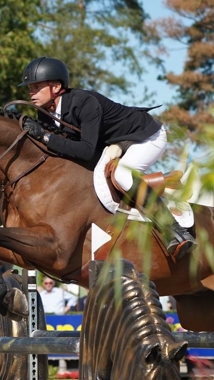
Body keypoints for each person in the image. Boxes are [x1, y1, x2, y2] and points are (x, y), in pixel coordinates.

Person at [19, 56, 197, 260]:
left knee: (122, 175)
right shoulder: (46, 113)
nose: (31, 92)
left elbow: (85, 150)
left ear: (56, 87)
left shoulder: (84, 102)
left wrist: (44, 136)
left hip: (146, 137)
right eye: (30, 88)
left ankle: (176, 231)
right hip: (115, 143)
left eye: (36, 87)